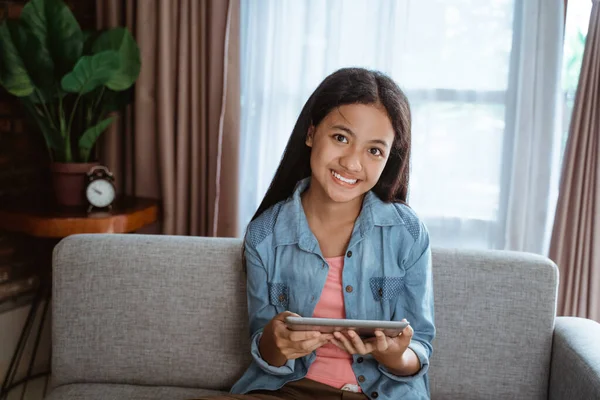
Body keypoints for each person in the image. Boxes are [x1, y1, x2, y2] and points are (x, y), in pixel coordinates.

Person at [196, 67, 435, 400]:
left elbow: (420, 343)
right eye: (341, 138)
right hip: (287, 390)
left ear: (388, 159)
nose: (352, 163)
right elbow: (266, 351)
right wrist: (276, 341)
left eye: (374, 150)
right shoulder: (265, 234)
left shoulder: (407, 233)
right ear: (311, 133)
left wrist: (395, 356)